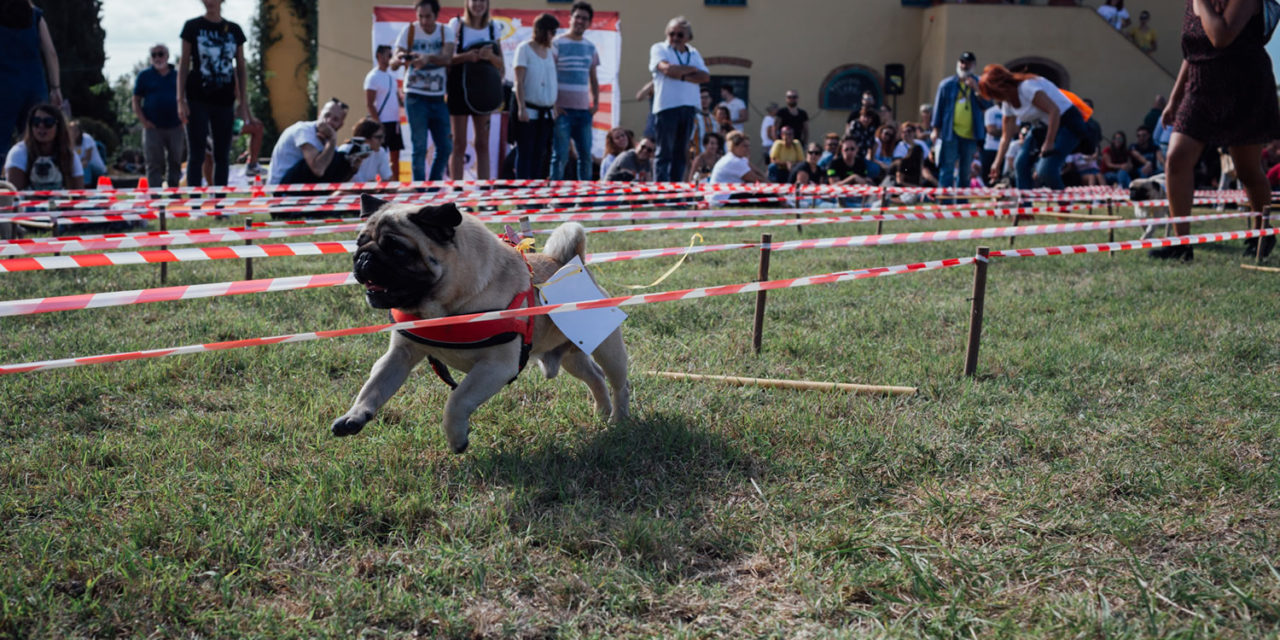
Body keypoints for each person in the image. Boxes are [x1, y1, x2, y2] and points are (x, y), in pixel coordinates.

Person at [1157, 0, 1280, 261]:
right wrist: (1174, 99)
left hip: (1244, 87)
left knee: (1247, 170)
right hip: (1200, 89)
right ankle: (1182, 244)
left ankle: (1263, 232)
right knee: (1176, 157)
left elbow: (1220, 37)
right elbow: (1192, 51)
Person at [178, 0, 253, 187]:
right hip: (197, 99)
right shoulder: (192, 27)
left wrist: (243, 103)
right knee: (196, 154)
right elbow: (184, 64)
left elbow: (241, 68)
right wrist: (180, 99)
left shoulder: (234, 30)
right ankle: (195, 206)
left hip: (225, 100)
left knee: (222, 154)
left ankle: (220, 205)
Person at [980, 63, 1087, 191]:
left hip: (1067, 124)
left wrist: (1049, 142)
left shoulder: (1027, 87)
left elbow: (1054, 111)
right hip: (1041, 127)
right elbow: (1006, 135)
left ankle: (1065, 204)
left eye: (993, 93)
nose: (995, 98)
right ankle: (1025, 206)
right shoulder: (1007, 102)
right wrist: (996, 163)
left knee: (1045, 171)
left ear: (1001, 86)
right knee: (1020, 164)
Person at [394, 0, 455, 183]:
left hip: (438, 97)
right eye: (420, 16)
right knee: (419, 147)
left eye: (428, 16)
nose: (423, 21)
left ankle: (434, 187)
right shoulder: (410, 31)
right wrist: (401, 58)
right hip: (414, 96)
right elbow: (397, 54)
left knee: (445, 146)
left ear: (436, 15)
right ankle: (420, 192)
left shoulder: (446, 31)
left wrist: (427, 57)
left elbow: (448, 58)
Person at [446, 0, 508, 180]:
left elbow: (501, 64)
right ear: (467, 3)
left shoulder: (492, 27)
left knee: (483, 143)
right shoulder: (456, 24)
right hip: (459, 88)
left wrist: (489, 56)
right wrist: (467, 56)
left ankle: (484, 196)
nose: (478, 5)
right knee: (459, 144)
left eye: (482, 1)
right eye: (474, 1)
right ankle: (455, 195)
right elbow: (448, 58)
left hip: (484, 90)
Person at [648, 16, 709, 182]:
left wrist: (680, 73)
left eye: (680, 35)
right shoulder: (660, 48)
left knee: (681, 153)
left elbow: (705, 77)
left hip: (688, 108)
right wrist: (690, 71)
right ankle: (660, 191)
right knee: (664, 152)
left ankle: (675, 189)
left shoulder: (694, 52)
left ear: (688, 37)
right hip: (666, 107)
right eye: (671, 33)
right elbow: (667, 70)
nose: (675, 37)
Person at [0, 0, 60, 162]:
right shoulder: (35, 16)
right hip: (34, 87)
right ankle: (37, 184)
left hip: (4, 89)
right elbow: (51, 53)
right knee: (36, 142)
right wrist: (55, 87)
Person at [549, 1, 600, 181]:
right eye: (577, 17)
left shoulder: (590, 47)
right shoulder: (557, 43)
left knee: (585, 156)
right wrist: (554, 104)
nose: (580, 21)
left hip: (583, 111)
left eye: (584, 19)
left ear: (589, 23)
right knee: (560, 157)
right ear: (570, 19)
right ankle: (555, 198)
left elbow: (593, 78)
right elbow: (549, 74)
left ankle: (583, 199)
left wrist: (596, 104)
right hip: (562, 111)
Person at [932, 51, 989, 195]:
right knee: (947, 169)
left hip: (971, 134)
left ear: (974, 65)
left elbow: (988, 105)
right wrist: (935, 129)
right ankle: (944, 203)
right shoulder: (946, 84)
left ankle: (961, 203)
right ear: (958, 64)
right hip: (950, 133)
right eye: (962, 62)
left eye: (968, 63)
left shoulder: (980, 84)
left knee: (965, 172)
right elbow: (938, 108)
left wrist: (976, 89)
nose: (964, 66)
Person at [513, 13, 559, 179]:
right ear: (542, 31)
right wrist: (521, 108)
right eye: (551, 31)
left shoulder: (550, 50)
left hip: (546, 112)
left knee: (541, 154)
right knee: (526, 152)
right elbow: (519, 80)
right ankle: (522, 193)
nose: (553, 36)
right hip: (528, 111)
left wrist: (553, 106)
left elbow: (550, 80)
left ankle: (536, 192)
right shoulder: (524, 48)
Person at [132, 43, 184, 187]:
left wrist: (184, 118)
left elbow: (187, 98)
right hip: (152, 127)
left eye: (160, 54)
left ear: (167, 56)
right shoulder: (144, 76)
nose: (157, 58)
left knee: (175, 161)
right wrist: (144, 121)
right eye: (154, 55)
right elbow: (136, 100)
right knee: (153, 163)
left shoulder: (177, 75)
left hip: (175, 126)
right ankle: (155, 198)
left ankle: (174, 194)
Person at [267, 98, 354, 184]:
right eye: (326, 115)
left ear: (341, 125)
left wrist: (353, 167)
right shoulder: (303, 130)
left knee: (340, 159)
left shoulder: (330, 145)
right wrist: (332, 140)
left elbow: (336, 180)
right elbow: (318, 170)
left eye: (335, 119)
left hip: (299, 186)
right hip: (281, 187)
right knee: (326, 159)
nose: (328, 121)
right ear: (319, 115)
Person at [4, 104, 82, 190]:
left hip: (60, 202)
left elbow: (79, 194)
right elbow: (14, 195)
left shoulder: (70, 155)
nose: (41, 126)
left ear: (58, 127)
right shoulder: (19, 152)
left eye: (48, 122)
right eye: (36, 122)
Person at [365, 44, 403, 182]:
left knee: (395, 157)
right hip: (381, 123)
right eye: (388, 55)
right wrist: (378, 124)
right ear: (379, 56)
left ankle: (395, 186)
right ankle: (379, 186)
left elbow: (397, 100)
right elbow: (370, 103)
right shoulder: (372, 77)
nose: (390, 58)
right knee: (378, 156)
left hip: (394, 122)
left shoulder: (391, 77)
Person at [347, 117, 393, 183]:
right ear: (365, 138)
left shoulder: (380, 151)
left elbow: (388, 180)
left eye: (383, 137)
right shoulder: (347, 151)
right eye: (378, 137)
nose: (382, 141)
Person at [67, 119, 106, 186]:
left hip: (96, 169)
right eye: (71, 130)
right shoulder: (69, 142)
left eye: (75, 130)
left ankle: (86, 186)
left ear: (80, 131)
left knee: (84, 165)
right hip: (82, 168)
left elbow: (87, 159)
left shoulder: (87, 138)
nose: (73, 132)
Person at [980, 103, 1003, 186]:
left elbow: (1015, 129)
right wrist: (1007, 131)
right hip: (990, 149)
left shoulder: (1012, 110)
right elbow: (991, 130)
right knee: (988, 177)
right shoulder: (990, 111)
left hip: (1005, 150)